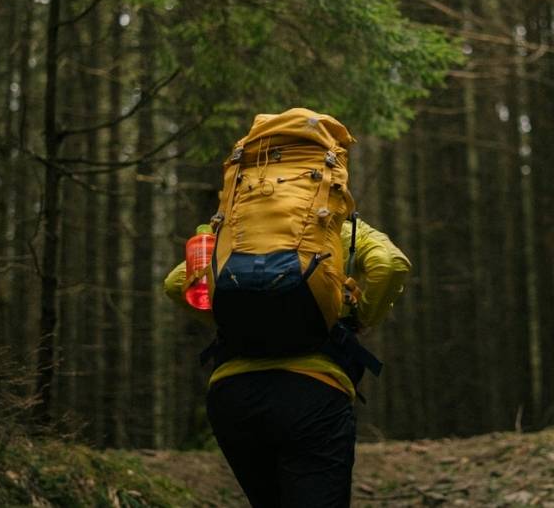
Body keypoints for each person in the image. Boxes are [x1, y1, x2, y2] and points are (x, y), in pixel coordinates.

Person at [163, 217, 410, 507]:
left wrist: (233, 325)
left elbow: (177, 282)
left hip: (233, 396)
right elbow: (390, 264)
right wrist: (362, 317)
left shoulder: (234, 231)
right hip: (313, 396)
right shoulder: (340, 228)